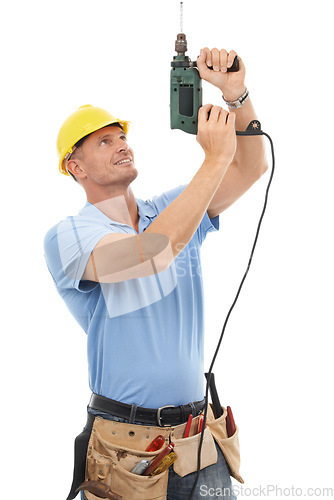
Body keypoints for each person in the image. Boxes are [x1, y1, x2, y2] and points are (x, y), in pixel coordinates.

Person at [44, 47, 268, 500]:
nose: (122, 144)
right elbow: (150, 254)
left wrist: (235, 96)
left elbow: (253, 166)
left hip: (200, 439)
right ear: (76, 167)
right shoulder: (68, 237)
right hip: (125, 451)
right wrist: (211, 160)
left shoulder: (170, 209)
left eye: (121, 136)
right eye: (104, 141)